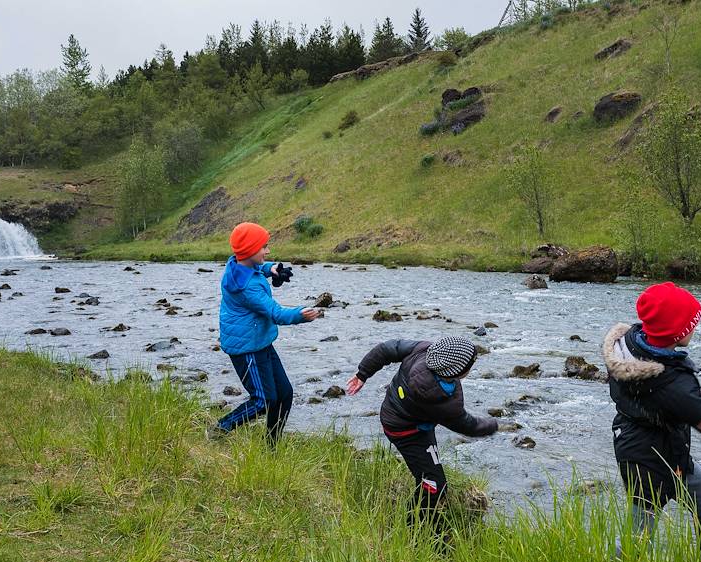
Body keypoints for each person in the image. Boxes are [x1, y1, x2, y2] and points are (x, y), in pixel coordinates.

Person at [601, 282, 701, 562]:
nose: (696, 328)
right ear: (679, 334)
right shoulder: (671, 384)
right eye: (693, 322)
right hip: (648, 461)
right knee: (638, 538)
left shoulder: (631, 343)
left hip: (664, 450)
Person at [346, 337, 497, 528]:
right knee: (435, 485)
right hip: (407, 432)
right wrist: (495, 425)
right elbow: (468, 425)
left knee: (430, 475)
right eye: (470, 364)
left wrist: (363, 374)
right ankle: (415, 527)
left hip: (396, 410)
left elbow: (386, 349)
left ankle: (422, 515)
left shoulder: (424, 350)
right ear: (457, 371)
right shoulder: (439, 398)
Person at [213, 222, 321, 445]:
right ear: (250, 250)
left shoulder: (235, 264)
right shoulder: (247, 288)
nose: (268, 250)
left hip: (259, 341)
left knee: (284, 395)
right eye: (264, 247)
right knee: (263, 400)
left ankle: (271, 446)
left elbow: (251, 267)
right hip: (247, 348)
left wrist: (270, 268)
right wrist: (302, 314)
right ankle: (218, 429)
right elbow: (275, 313)